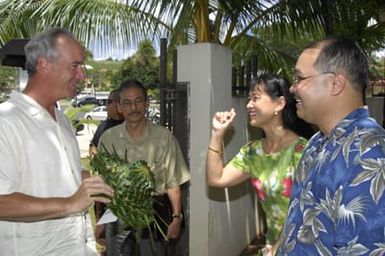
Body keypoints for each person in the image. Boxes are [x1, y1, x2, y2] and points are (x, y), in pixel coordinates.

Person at [0, 28, 114, 256]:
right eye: (75, 66)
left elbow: (69, 171)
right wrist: (71, 204)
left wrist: (100, 183)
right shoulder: (6, 121)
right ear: (44, 65)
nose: (81, 76)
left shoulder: (61, 119)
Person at [277, 37, 385, 255]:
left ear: (335, 84)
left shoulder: (369, 156)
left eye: (300, 78)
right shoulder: (316, 143)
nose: (292, 87)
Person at [206, 73, 314, 255]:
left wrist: (281, 245)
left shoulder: (304, 152)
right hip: (273, 247)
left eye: (255, 98)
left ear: (279, 104)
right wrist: (217, 135)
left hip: (304, 246)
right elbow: (216, 179)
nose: (248, 105)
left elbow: (312, 211)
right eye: (249, 99)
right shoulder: (253, 153)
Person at [98, 79, 190, 256]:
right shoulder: (108, 140)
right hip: (118, 217)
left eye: (138, 101)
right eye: (127, 103)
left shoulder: (164, 138)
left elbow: (172, 183)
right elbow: (102, 185)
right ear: (119, 107)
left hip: (155, 218)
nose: (133, 108)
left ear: (147, 103)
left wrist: (177, 217)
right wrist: (100, 219)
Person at [89, 89, 124, 255]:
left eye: (109, 101)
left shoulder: (128, 125)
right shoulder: (104, 125)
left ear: (118, 104)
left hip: (122, 190)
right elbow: (93, 146)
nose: (106, 105)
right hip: (103, 184)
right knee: (102, 220)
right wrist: (97, 159)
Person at [89, 89, 124, 157]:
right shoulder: (103, 126)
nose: (106, 105)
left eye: (109, 102)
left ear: (119, 103)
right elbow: (93, 148)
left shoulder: (131, 125)